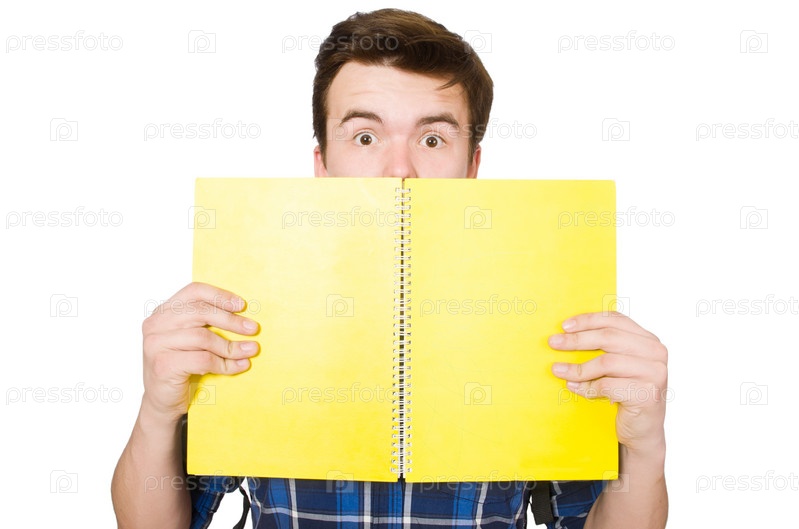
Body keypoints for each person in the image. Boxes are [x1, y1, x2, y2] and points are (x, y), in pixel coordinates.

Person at [111, 9, 668, 529]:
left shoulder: (545, 302)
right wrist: (157, 411)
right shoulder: (248, 294)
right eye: (365, 136)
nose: (399, 170)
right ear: (322, 165)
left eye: (433, 138)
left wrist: (644, 450)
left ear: (471, 167)